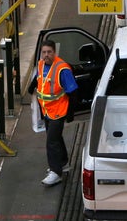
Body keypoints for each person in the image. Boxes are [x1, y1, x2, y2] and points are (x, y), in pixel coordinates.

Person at [31, 40, 78, 186]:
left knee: (51, 141)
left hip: (59, 111)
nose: (46, 55)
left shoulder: (62, 69)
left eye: (49, 52)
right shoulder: (40, 64)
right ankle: (63, 163)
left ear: (54, 52)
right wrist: (31, 86)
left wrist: (71, 113)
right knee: (56, 138)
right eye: (44, 52)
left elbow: (73, 92)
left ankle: (56, 172)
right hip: (47, 110)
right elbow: (38, 79)